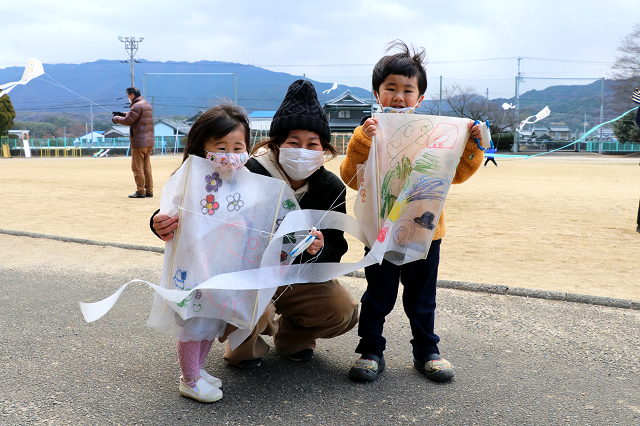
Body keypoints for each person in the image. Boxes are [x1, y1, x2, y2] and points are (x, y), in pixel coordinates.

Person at [153, 80, 358, 373]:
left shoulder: (329, 187)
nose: (303, 150)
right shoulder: (247, 170)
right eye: (293, 142)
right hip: (245, 273)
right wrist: (158, 221)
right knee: (252, 306)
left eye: (312, 144)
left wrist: (320, 247)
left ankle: (292, 339)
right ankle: (244, 345)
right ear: (276, 144)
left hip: (296, 275)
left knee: (341, 308)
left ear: (324, 148)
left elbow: (337, 247)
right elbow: (194, 202)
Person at [340, 41, 483, 383]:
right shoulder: (368, 131)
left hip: (426, 230)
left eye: (408, 90)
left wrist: (472, 144)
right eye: (391, 88)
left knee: (422, 298)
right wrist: (363, 140)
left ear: (420, 98)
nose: (399, 97)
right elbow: (351, 177)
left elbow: (458, 175)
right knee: (378, 294)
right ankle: (370, 350)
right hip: (381, 230)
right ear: (377, 93)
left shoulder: (436, 133)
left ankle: (426, 351)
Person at [112, 87, 154, 198]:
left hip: (139, 142)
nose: (128, 98)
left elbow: (128, 121)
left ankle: (140, 191)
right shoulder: (145, 103)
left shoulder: (136, 105)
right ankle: (149, 190)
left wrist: (116, 119)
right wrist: (122, 113)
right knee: (147, 167)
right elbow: (134, 115)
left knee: (137, 167)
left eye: (128, 96)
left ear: (132, 95)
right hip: (149, 141)